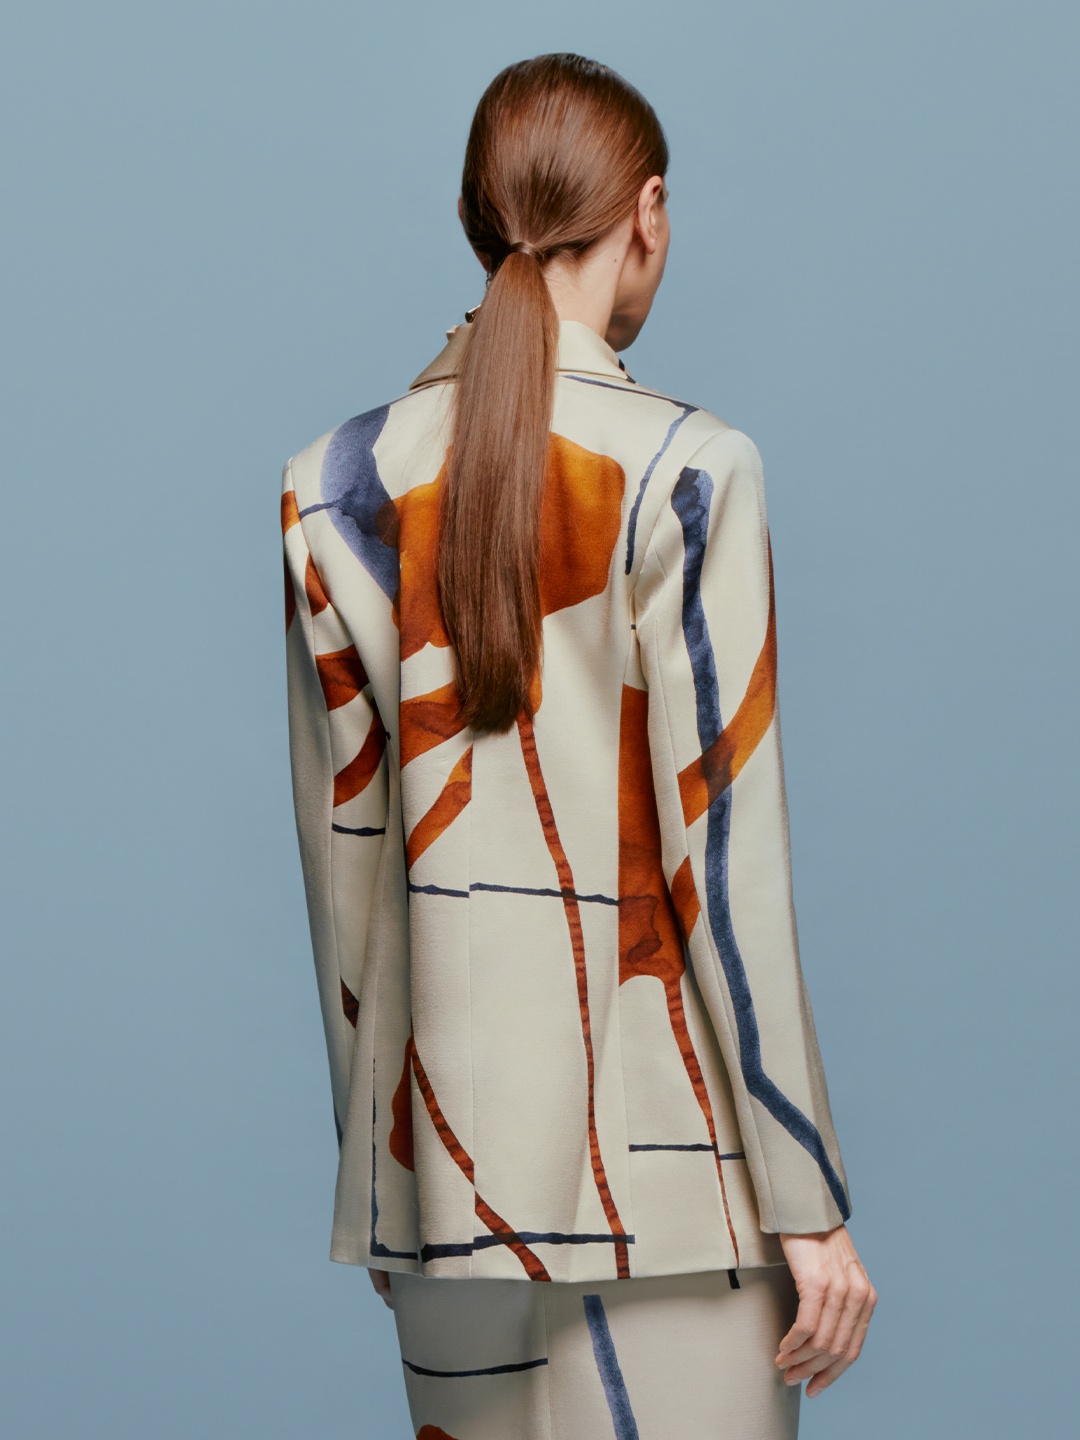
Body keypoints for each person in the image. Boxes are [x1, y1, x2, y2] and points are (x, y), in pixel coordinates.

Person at [283, 51, 875, 1440]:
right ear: (648, 214)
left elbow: (346, 877)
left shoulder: (331, 487)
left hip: (444, 1203)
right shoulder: (689, 468)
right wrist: (812, 1204)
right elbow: (727, 867)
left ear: (475, 219)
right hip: (678, 1200)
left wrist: (391, 1185)